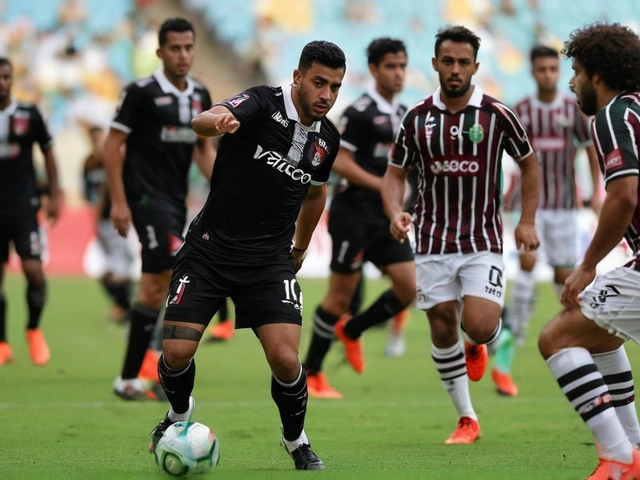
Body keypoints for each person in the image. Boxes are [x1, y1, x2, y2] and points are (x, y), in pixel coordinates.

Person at [149, 40, 346, 470]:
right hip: (210, 250)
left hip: (268, 261)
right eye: (318, 83)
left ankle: (296, 440)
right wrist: (216, 120)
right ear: (297, 77)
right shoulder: (261, 102)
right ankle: (179, 415)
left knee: (286, 359)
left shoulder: (327, 140)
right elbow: (205, 120)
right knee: (177, 353)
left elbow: (316, 195)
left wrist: (300, 246)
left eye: (334, 87)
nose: (326, 95)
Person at [381, 25, 541, 444]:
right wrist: (395, 211)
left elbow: (529, 163)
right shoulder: (416, 118)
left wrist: (526, 220)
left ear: (475, 67)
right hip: (432, 240)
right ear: (435, 63)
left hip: (482, 240)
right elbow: (394, 174)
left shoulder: (496, 114)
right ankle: (467, 418)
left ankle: (480, 342)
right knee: (440, 325)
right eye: (447, 61)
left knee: (482, 325)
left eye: (463, 62)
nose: (455, 69)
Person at [538, 22, 640, 479]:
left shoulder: (614, 115)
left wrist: (587, 266)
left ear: (598, 73)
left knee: (557, 338)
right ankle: (633, 448)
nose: (571, 82)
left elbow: (624, 196)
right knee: (601, 334)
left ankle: (619, 458)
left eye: (576, 70)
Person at [104, 18, 215, 400]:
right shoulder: (141, 92)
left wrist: (227, 188)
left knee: (155, 288)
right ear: (159, 51)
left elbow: (202, 149)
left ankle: (130, 377)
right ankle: (149, 369)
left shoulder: (200, 94)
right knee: (169, 272)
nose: (182, 55)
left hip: (174, 200)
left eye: (188, 47)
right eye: (174, 48)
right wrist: (119, 201)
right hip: (145, 199)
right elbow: (112, 145)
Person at [301, 37, 415, 399]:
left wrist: (400, 196)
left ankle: (352, 331)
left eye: (402, 66)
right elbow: (340, 160)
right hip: (352, 214)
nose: (398, 74)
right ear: (374, 70)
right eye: (391, 67)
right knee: (338, 299)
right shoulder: (360, 111)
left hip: (384, 217)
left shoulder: (404, 114)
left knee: (408, 287)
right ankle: (312, 374)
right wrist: (384, 186)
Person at [491, 45, 600, 397]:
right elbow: (507, 157)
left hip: (566, 206)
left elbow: (589, 151)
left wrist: (596, 192)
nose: (549, 75)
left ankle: (573, 330)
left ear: (559, 70)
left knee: (562, 276)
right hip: (531, 206)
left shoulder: (574, 109)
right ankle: (518, 336)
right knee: (526, 265)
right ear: (533, 71)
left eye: (554, 69)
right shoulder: (520, 110)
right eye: (542, 69)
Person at [0, 57, 62, 367]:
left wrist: (54, 193)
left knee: (34, 272)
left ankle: (34, 329)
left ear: (12, 79)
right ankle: (1, 342)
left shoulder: (28, 113)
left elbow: (48, 149)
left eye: (6, 76)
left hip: (24, 207)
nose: (2, 82)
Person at [83, 125, 134, 324]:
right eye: (95, 140)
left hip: (118, 219)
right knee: (111, 266)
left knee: (122, 264)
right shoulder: (89, 163)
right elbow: (87, 191)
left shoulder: (114, 160)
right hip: (104, 221)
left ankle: (123, 308)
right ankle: (123, 306)